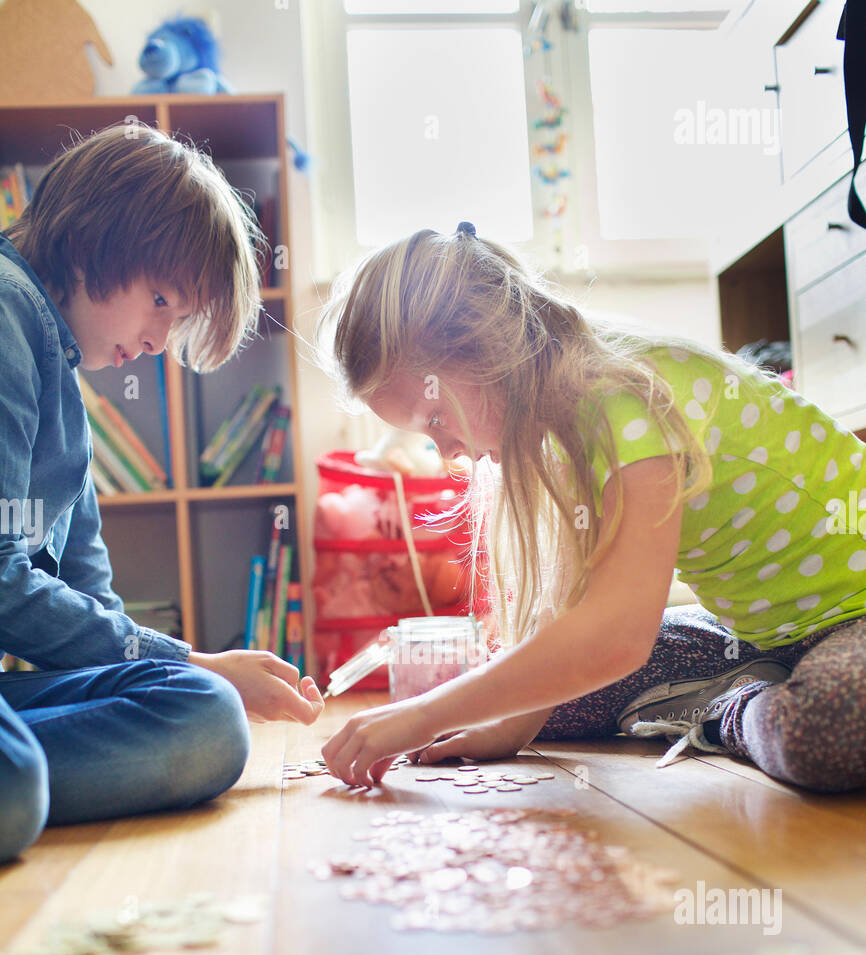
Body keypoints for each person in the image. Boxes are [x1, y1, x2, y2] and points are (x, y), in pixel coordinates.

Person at [315, 222, 866, 793]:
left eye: (435, 421)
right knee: (542, 691)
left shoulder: (623, 393)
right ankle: (766, 677)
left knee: (825, 726)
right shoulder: (560, 408)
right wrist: (507, 726)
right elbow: (574, 612)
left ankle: (737, 707)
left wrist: (422, 714)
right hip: (756, 633)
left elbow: (615, 638)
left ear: (481, 353)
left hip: (854, 614)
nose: (447, 452)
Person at [0, 124, 323, 864]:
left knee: (203, 717)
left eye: (173, 321)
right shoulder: (5, 313)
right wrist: (197, 661)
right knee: (18, 781)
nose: (156, 343)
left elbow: (95, 615)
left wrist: (183, 673)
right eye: (159, 302)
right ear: (93, 241)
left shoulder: (63, 380)